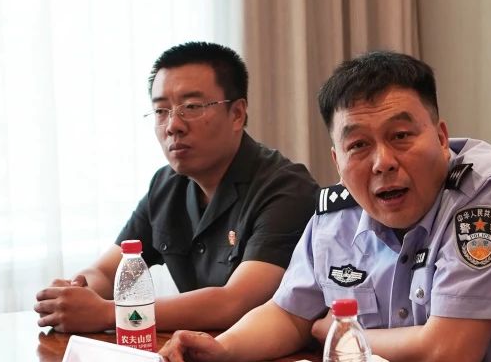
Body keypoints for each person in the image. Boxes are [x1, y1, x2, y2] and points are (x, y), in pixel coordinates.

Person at [159, 49, 491, 362]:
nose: (383, 162)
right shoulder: (337, 213)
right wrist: (222, 349)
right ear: (337, 160)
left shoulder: (487, 194)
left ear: (441, 137)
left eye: (401, 136)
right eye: (359, 146)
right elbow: (288, 315)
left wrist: (337, 335)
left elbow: (448, 353)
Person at [34, 41, 317, 333]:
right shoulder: (166, 186)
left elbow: (235, 303)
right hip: (194, 351)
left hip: (273, 356)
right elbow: (106, 272)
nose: (173, 126)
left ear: (237, 114)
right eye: (161, 111)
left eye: (191, 107)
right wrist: (77, 290)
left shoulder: (287, 189)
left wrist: (111, 313)